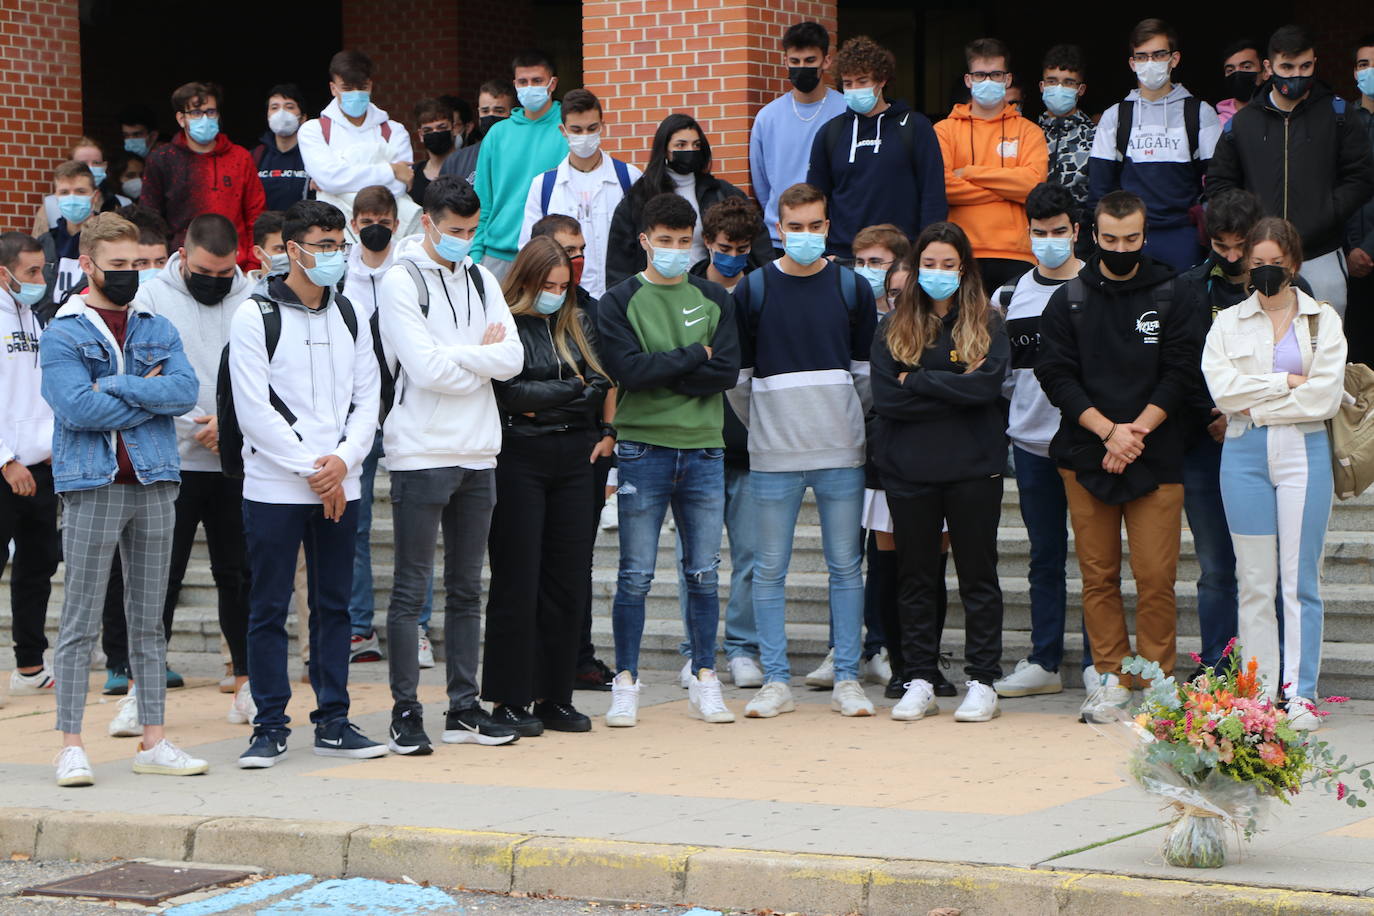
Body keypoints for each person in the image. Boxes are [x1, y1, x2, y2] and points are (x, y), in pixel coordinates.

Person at [40, 213, 205, 786]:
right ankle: (70, 744)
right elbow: (75, 409)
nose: (131, 275)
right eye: (118, 266)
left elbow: (184, 391)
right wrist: (148, 396)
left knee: (149, 621)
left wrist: (113, 385)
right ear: (87, 265)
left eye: (138, 264)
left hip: (156, 480)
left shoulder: (155, 324)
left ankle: (154, 739)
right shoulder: (64, 330)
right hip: (93, 484)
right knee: (80, 619)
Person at [228, 199, 386, 768]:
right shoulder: (254, 315)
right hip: (275, 487)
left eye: (338, 245)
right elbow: (255, 410)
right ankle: (269, 726)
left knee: (334, 607)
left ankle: (335, 722)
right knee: (269, 607)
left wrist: (344, 461)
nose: (334, 255)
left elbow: (369, 398)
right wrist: (315, 471)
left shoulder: (350, 312)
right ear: (291, 250)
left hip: (342, 483)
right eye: (322, 246)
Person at [1035, 190, 1198, 723]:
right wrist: (1109, 433)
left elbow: (1180, 372)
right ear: (1091, 234)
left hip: (1157, 453)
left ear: (1145, 234)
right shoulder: (1070, 299)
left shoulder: (1174, 291)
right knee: (1098, 575)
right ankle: (1110, 679)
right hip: (1086, 453)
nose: (1121, 247)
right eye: (1110, 239)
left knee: (1156, 577)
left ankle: (1155, 680)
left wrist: (1136, 434)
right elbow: (1055, 376)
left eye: (1131, 239)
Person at [376, 176, 524, 754]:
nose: (465, 239)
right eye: (455, 230)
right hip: (420, 451)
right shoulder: (399, 281)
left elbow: (512, 358)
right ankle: (405, 710)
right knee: (411, 590)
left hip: (479, 451)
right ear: (429, 224)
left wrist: (460, 356)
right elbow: (423, 369)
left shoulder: (484, 277)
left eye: (472, 230)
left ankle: (464, 708)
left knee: (467, 589)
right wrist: (478, 358)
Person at [726, 183, 877, 720]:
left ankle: (848, 678)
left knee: (845, 568)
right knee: (769, 570)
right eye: (796, 226)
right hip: (773, 456)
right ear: (778, 227)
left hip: (841, 453)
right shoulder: (754, 289)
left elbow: (865, 378)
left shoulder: (852, 287)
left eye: (816, 226)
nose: (806, 236)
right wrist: (769, 429)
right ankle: (775, 680)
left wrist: (844, 425)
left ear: (827, 226)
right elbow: (738, 382)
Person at [596, 192, 740, 727]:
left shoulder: (715, 300)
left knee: (703, 572)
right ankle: (626, 681)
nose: (676, 251)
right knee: (635, 574)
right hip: (642, 448)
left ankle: (705, 675)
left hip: (703, 447)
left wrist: (662, 367)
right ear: (645, 241)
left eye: (684, 242)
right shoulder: (617, 302)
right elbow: (628, 372)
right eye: (666, 242)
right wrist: (691, 357)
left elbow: (724, 371)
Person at [1202, 217, 1345, 731]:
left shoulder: (1322, 320)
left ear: (1294, 264)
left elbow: (1325, 397)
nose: (1265, 271)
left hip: (1303, 454)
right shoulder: (1227, 323)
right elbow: (1223, 393)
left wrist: (1255, 397)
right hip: (1242, 455)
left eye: (1275, 263)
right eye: (1256, 262)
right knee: (1255, 581)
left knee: (1299, 581)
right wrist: (1285, 381)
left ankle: (1300, 694)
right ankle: (1259, 697)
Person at [869, 223, 1009, 724]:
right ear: (915, 266)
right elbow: (888, 400)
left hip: (973, 468)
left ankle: (983, 680)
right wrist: (954, 386)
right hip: (910, 470)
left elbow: (988, 391)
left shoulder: (987, 323)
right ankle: (920, 677)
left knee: (978, 576)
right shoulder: (891, 328)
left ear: (964, 268)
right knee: (916, 578)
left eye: (949, 264)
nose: (938, 273)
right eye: (930, 263)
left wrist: (920, 381)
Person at [481, 235, 610, 736]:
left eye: (563, 284)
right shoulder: (504, 324)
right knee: (518, 579)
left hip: (574, 457)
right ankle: (510, 698)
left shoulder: (576, 322)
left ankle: (555, 694)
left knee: (568, 577)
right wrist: (571, 390)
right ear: (527, 281)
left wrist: (560, 396)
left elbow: (599, 385)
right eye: (548, 285)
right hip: (520, 456)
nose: (557, 292)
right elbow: (509, 394)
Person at [1174, 189, 1304, 679]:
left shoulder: (1293, 288)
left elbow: (1298, 369)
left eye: (1239, 248)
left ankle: (1274, 670)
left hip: (1272, 438)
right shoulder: (1189, 288)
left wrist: (1246, 410)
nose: (1230, 258)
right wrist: (1213, 412)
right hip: (1204, 442)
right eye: (1221, 246)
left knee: (1268, 566)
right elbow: (1181, 365)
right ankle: (1217, 665)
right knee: (1215, 567)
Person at [134, 214, 255, 726]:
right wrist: (193, 423)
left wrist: (230, 424)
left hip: (235, 461)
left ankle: (247, 686)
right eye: (205, 270)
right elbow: (144, 372)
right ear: (182, 257)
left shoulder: (251, 297)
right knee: (160, 577)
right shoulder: (151, 298)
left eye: (225, 272)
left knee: (240, 576)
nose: (215, 280)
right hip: (173, 460)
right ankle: (143, 691)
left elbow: (265, 371)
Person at [991, 182, 1090, 700]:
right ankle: (1045, 659)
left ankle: (1102, 663)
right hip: (1031, 445)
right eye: (1039, 233)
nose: (1049, 240)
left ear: (1076, 232)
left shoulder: (1099, 285)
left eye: (1058, 232)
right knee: (1044, 556)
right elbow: (1003, 374)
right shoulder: (1008, 295)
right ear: (1027, 233)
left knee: (1098, 560)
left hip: (1091, 445)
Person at [1208, 24, 1374, 317]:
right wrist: (1250, 225)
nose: (1297, 75)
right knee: (1258, 346)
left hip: (1321, 252)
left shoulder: (1338, 115)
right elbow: (1220, 184)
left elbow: (1361, 177)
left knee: (1324, 345)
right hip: (1257, 257)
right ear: (1269, 67)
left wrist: (1326, 212)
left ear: (1315, 64)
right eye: (1287, 66)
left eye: (1305, 66)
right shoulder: (1243, 123)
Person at [805, 221, 907, 690]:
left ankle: (880, 646)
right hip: (846, 442)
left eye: (877, 263)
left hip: (890, 450)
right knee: (844, 553)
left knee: (883, 554)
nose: (866, 272)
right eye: (860, 262)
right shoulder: (848, 312)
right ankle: (840, 646)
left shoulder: (909, 319)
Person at [529, 214, 619, 692]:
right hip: (531, 452)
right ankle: (535, 662)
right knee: (532, 562)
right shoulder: (515, 310)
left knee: (575, 561)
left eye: (582, 250)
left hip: (586, 450)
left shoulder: (592, 309)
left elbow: (605, 379)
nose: (576, 260)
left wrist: (608, 436)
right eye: (567, 251)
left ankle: (577, 657)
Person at [1086, 19, 1221, 272]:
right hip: (1129, 240)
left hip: (1184, 238)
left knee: (1184, 309)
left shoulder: (1201, 113)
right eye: (1142, 56)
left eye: (1159, 54)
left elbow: (1218, 183)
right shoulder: (1115, 116)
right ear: (1132, 63)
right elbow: (1099, 191)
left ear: (1175, 59)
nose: (1150, 63)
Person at [339, 185, 410, 664]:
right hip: (355, 409)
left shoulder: (409, 271)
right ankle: (360, 627)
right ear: (353, 223)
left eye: (381, 217)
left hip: (406, 406)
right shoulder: (337, 274)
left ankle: (415, 629)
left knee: (413, 524)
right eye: (365, 219)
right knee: (355, 524)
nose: (374, 225)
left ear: (396, 221)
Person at [807, 35, 946, 258]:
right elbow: (815, 199)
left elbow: (933, 195)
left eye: (862, 81)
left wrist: (927, 251)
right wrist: (821, 251)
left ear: (881, 80)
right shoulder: (830, 133)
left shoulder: (915, 126)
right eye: (848, 83)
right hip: (842, 255)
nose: (854, 89)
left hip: (901, 256)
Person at [935, 38, 1050, 294]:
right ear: (968, 80)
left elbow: (1033, 186)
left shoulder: (1029, 132)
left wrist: (970, 172)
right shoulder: (944, 130)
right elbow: (943, 187)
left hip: (1018, 255)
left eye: (995, 74)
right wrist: (1008, 188)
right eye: (980, 75)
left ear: (1007, 80)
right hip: (961, 252)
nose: (987, 81)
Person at [607, 115, 771, 287]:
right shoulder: (639, 197)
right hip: (656, 292)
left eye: (696, 145)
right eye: (681, 145)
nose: (690, 150)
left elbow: (759, 244)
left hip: (709, 288)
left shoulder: (722, 192)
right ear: (664, 150)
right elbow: (619, 261)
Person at [0, 232, 60, 699]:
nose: (40, 280)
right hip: (5, 469)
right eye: (31, 273)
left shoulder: (35, 319)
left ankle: (30, 665)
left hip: (41, 468)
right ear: (4, 273)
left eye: (43, 270)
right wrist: (5, 460)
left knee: (37, 568)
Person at [517, 89, 641, 300]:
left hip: (622, 299)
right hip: (565, 300)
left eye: (592, 128)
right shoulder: (543, 186)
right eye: (576, 129)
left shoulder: (629, 178)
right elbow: (530, 250)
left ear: (603, 126)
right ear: (563, 130)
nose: (585, 136)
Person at [140, 81, 265, 271]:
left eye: (211, 112)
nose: (205, 118)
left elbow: (255, 214)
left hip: (233, 266)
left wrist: (252, 265)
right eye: (197, 113)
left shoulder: (241, 157)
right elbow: (150, 219)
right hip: (181, 266)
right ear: (181, 119)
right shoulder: (162, 159)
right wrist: (158, 266)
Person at [297, 50, 418, 241]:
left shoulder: (395, 130)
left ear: (370, 85)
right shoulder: (313, 130)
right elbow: (331, 178)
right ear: (333, 88)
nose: (355, 94)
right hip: (334, 235)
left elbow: (398, 188)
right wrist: (390, 170)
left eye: (361, 87)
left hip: (391, 236)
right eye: (346, 88)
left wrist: (337, 184)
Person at [750, 21, 848, 255]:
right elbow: (761, 183)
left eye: (809, 61)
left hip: (832, 237)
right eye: (795, 61)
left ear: (826, 61)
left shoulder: (847, 111)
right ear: (785, 61)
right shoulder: (767, 117)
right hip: (780, 240)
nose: (801, 67)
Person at [471, 51, 568, 280]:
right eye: (523, 82)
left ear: (552, 84)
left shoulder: (568, 130)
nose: (529, 87)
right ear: (515, 84)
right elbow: (482, 201)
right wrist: (475, 256)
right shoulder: (497, 134)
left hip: (552, 256)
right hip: (497, 255)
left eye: (537, 81)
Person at [1038, 45, 1095, 210]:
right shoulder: (1027, 134)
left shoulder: (1096, 136)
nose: (1059, 88)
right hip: (1034, 230)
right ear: (1042, 86)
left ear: (1081, 89)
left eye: (1068, 82)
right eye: (1052, 81)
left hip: (1082, 229)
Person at [40, 161, 101, 308]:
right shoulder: (45, 243)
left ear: (95, 196)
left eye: (80, 191)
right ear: (56, 197)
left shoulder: (108, 241)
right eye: (64, 192)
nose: (72, 198)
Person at [1348, 36, 1374, 366]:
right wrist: (1351, 247)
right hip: (1349, 258)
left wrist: (1368, 248)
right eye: (1363, 64)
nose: (1370, 70)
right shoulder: (1342, 120)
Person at [441, 79, 517, 186]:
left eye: (499, 111)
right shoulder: (456, 161)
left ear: (513, 113)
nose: (491, 115)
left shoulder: (525, 156)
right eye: (485, 111)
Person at [254, 84, 310, 211]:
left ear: (303, 118)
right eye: (274, 107)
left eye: (289, 107)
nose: (281, 113)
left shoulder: (314, 155)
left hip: (303, 229)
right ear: (268, 116)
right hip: (265, 229)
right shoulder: (255, 157)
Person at [410, 97, 460, 208]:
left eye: (442, 127)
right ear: (420, 135)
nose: (435, 133)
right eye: (428, 130)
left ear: (454, 128)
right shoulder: (413, 175)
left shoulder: (468, 169)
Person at [1218, 39, 1264, 128]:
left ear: (1265, 71)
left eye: (1246, 67)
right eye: (1230, 70)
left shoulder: (1279, 117)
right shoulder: (1217, 124)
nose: (1238, 73)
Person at [249, 210, 288, 285]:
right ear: (258, 252)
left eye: (293, 248)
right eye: (281, 249)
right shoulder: (245, 295)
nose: (289, 255)